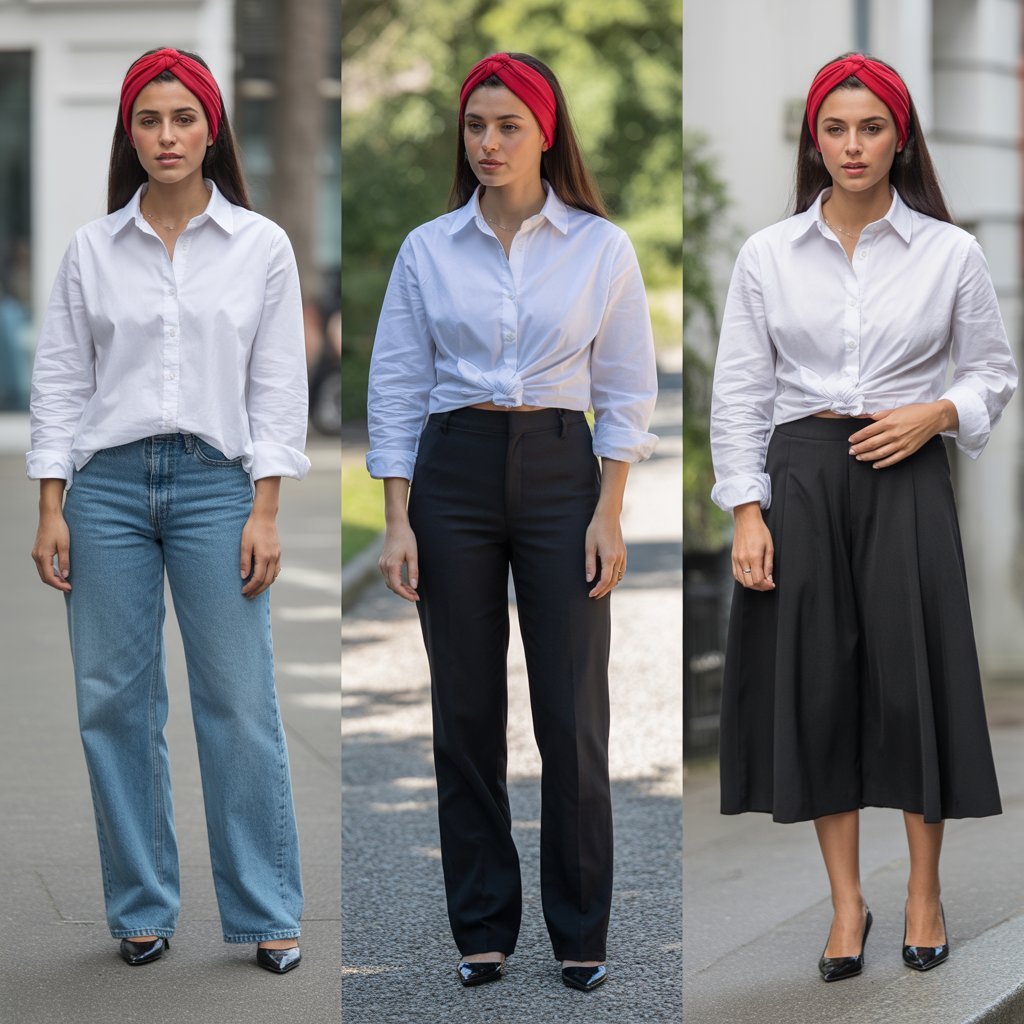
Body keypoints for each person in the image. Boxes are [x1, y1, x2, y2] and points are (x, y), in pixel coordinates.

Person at [711, 52, 1018, 982]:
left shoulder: (948, 253)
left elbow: (992, 374)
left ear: (901, 137)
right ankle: (849, 904)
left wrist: (937, 413)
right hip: (800, 473)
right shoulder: (768, 254)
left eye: (871, 127)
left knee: (910, 684)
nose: (853, 145)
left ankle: (923, 892)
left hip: (905, 472)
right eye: (836, 128)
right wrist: (745, 513)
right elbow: (740, 392)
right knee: (819, 691)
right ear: (816, 137)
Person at [366, 52, 658, 992]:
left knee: (572, 711)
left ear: (546, 134)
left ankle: (581, 929)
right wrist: (397, 517)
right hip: (452, 470)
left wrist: (610, 511)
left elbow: (624, 391)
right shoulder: (427, 249)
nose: (488, 144)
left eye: (508, 127)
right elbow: (398, 386)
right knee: (464, 710)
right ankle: (482, 925)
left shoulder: (601, 249)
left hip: (563, 470)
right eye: (475, 126)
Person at [28, 48, 309, 974]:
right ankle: (142, 905)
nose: (166, 136)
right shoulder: (91, 249)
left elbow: (276, 387)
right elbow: (62, 382)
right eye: (148, 120)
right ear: (129, 134)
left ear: (212, 128)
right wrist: (51, 505)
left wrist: (265, 510)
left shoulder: (261, 245)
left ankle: (266, 907)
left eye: (183, 118)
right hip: (104, 487)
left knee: (238, 699)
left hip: (216, 485)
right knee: (113, 704)